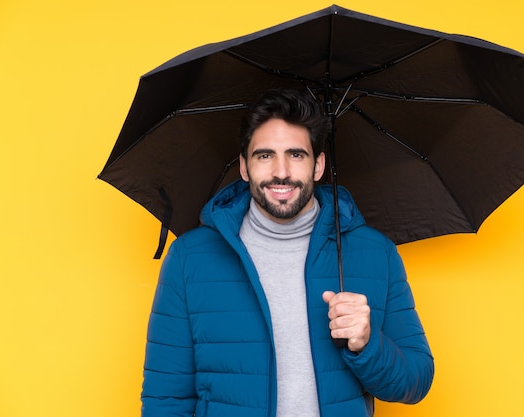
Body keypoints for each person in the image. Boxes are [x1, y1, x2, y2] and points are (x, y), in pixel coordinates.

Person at [141, 89, 434, 417]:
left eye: (296, 155)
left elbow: (416, 380)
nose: (281, 171)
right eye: (264, 156)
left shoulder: (376, 253)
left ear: (318, 165)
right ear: (244, 166)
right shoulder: (188, 259)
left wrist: (368, 344)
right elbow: (164, 400)